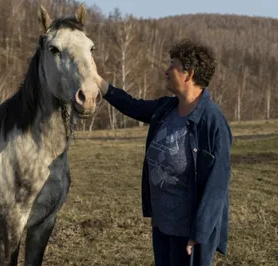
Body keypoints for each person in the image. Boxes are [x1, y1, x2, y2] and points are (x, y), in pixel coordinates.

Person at [92, 38, 232, 266]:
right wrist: (98, 82)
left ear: (189, 74)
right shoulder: (167, 108)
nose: (166, 71)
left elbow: (218, 185)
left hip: (187, 235)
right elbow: (132, 105)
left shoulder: (212, 122)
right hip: (162, 226)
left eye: (172, 66)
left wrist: (199, 234)